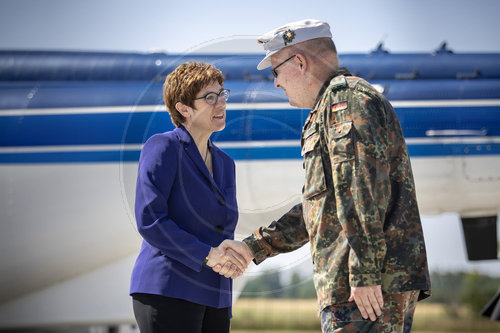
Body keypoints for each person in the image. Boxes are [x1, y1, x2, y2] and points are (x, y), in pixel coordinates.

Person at [214, 19, 431, 332]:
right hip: (356, 285)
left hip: (364, 290)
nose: (275, 83)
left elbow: (360, 193)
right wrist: (252, 247)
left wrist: (364, 274)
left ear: (299, 62)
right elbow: (320, 208)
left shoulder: (345, 105)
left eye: (275, 70)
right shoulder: (330, 108)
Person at [130, 62, 247, 333]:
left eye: (222, 95)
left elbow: (220, 229)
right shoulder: (163, 147)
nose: (221, 103)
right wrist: (207, 255)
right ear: (183, 109)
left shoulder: (226, 163)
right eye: (209, 98)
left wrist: (230, 258)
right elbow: (150, 220)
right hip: (168, 290)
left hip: (215, 294)